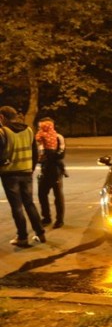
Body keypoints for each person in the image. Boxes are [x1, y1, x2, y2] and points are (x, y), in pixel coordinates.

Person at [0, 106, 47, 247]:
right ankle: (40, 233)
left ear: (2, 117)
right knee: (29, 203)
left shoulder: (3, 132)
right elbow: (35, 153)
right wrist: (30, 169)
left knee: (17, 207)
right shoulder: (29, 130)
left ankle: (22, 237)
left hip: (10, 174)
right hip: (26, 172)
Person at [35, 117, 66, 228]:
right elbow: (37, 154)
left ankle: (59, 219)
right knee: (42, 194)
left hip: (55, 170)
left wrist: (48, 153)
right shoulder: (39, 138)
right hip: (44, 169)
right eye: (41, 127)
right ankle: (46, 217)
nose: (42, 129)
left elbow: (60, 154)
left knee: (58, 195)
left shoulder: (58, 137)